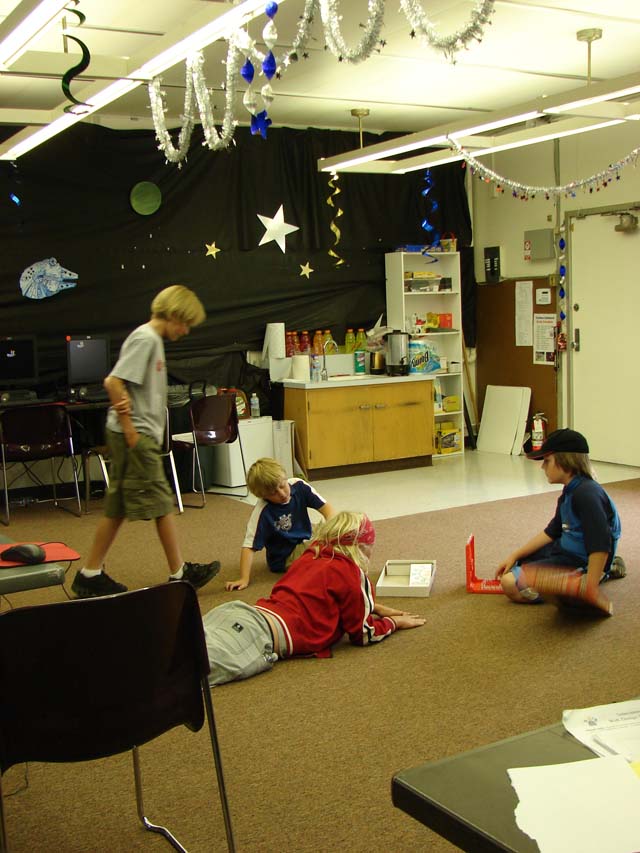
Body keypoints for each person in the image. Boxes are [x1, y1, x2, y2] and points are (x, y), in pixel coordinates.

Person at [71, 284, 220, 598]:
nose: (186, 330)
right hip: (135, 435)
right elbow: (113, 383)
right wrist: (130, 430)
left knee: (118, 506)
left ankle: (89, 574)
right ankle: (180, 573)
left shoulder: (152, 340)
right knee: (162, 501)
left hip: (135, 433)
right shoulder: (145, 339)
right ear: (174, 314)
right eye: (186, 323)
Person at [204, 510, 425, 686]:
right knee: (192, 675)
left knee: (186, 642)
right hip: (257, 635)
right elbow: (364, 635)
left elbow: (317, 596)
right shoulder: (351, 573)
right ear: (361, 547)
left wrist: (373, 606)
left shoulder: (312, 554)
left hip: (239, 612)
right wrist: (394, 623)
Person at [494, 428, 623, 615]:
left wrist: (590, 588)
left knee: (509, 583)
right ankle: (587, 577)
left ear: (565, 461)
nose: (542, 467)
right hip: (565, 548)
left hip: (581, 558)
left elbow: (601, 544)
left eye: (547, 461)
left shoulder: (586, 494)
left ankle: (595, 575)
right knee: (519, 565)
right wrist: (514, 555)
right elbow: (552, 531)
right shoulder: (570, 491)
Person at [225, 457, 335, 591]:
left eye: (282, 486)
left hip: (306, 537)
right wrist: (244, 578)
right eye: (273, 493)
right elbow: (249, 546)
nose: (282, 494)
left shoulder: (299, 485)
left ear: (285, 477)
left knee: (344, 528)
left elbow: (327, 509)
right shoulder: (262, 511)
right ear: (263, 496)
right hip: (286, 555)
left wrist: (333, 530)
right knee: (325, 551)